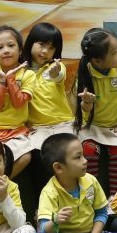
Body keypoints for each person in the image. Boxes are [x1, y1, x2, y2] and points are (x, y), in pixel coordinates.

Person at [74, 28, 117, 197]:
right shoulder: (85, 74)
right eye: (113, 53)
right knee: (88, 151)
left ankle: (114, 196)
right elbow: (83, 112)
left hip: (114, 127)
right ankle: (91, 193)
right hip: (91, 127)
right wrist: (87, 103)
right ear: (97, 61)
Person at [0, 26, 36, 178]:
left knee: (26, 157)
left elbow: (19, 103)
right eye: (0, 47)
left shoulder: (28, 75)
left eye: (11, 45)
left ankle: (1, 183)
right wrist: (2, 81)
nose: (6, 50)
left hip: (16, 130)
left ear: (20, 50)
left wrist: (10, 79)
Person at [23, 22, 75, 150]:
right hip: (38, 127)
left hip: (64, 123)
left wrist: (55, 73)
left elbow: (59, 76)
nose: (45, 51)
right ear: (30, 43)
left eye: (51, 48)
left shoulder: (56, 66)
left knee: (68, 150)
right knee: (38, 151)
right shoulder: (21, 72)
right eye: (41, 44)